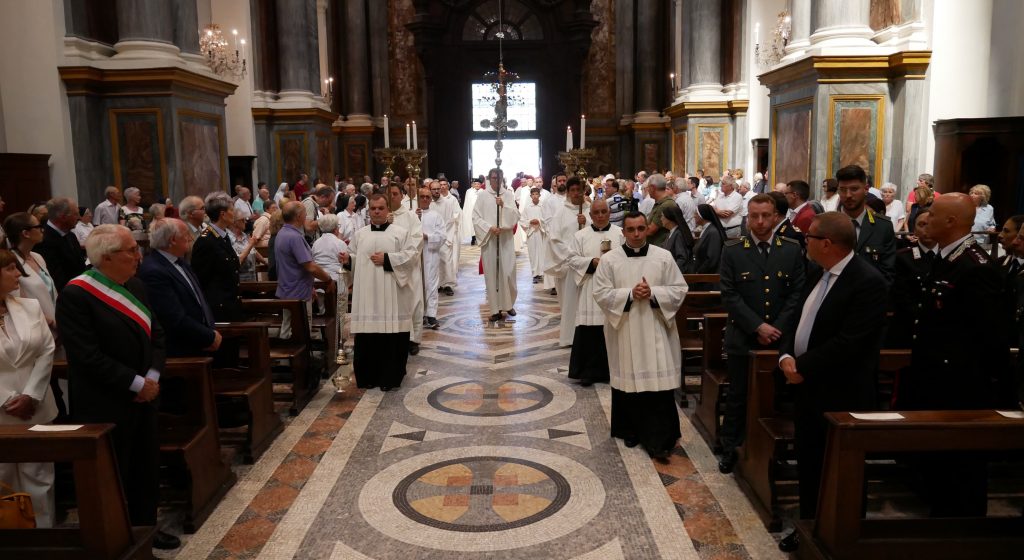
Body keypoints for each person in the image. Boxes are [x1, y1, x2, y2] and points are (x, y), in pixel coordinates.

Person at [57, 225, 179, 551]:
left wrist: (152, 376)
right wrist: (136, 383)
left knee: (145, 467)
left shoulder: (135, 285)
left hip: (145, 397)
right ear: (107, 257)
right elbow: (86, 356)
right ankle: (119, 538)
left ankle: (145, 530)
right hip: (106, 401)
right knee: (115, 474)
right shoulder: (76, 295)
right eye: (131, 250)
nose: (139, 256)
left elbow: (157, 335)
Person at [896, 192, 1014, 518]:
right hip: (934, 379)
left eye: (932, 215)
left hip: (961, 386)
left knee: (962, 468)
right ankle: (941, 522)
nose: (925, 220)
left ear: (950, 222)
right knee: (938, 467)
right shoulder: (946, 258)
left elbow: (990, 336)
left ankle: (963, 530)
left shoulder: (975, 267)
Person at [776, 213, 888, 553]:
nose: (803, 242)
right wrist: (785, 355)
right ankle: (809, 525)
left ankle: (842, 536)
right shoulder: (818, 272)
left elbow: (850, 342)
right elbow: (797, 319)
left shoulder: (868, 281)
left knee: (842, 470)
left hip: (842, 392)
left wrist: (802, 366)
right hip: (808, 388)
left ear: (826, 243)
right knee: (810, 462)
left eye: (808, 237)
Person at [716, 194, 805, 473]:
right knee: (738, 395)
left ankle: (773, 451)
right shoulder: (733, 249)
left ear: (776, 216)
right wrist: (757, 326)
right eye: (754, 216)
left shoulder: (791, 249)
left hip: (780, 338)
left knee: (778, 396)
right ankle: (731, 446)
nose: (760, 221)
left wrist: (776, 327)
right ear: (748, 218)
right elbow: (729, 294)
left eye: (766, 215)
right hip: (743, 336)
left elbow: (797, 293)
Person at [593, 211, 689, 460]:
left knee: (658, 382)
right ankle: (630, 429)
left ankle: (663, 435)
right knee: (629, 380)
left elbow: (679, 289)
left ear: (647, 229)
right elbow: (600, 293)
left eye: (640, 228)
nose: (636, 234)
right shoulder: (609, 260)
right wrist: (629, 294)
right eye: (630, 229)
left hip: (656, 329)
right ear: (623, 232)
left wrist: (654, 293)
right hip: (625, 329)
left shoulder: (663, 256)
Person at [0, 248, 58, 528]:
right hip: (2, 409)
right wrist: (6, 399)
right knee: (3, 479)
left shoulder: (29, 306)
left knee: (40, 478)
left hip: (35, 406)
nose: (18, 274)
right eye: (10, 269)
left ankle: (44, 538)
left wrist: (31, 394)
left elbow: (47, 350)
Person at [341, 195, 416, 391]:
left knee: (391, 338)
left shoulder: (400, 233)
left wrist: (388, 259)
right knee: (368, 337)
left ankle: (390, 378)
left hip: (392, 295)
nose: (376, 211)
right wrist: (348, 260)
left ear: (387, 210)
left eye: (381, 208)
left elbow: (410, 258)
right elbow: (355, 256)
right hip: (367, 296)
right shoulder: (360, 235)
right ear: (369, 211)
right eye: (373, 208)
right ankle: (368, 377)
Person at [137, 219, 222, 358]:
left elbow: (198, 301)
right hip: (181, 349)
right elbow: (173, 317)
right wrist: (208, 336)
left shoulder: (180, 262)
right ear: (173, 240)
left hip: (199, 342)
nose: (190, 238)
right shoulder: (154, 271)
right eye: (186, 234)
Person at [566, 199, 623, 386]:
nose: (600, 216)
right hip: (590, 286)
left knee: (612, 329)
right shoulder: (580, 236)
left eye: (603, 212)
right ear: (590, 215)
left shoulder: (620, 234)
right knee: (589, 330)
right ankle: (587, 372)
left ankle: (611, 371)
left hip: (613, 287)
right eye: (596, 212)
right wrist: (591, 262)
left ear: (609, 213)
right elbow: (572, 258)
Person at [275, 202, 336, 339]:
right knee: (301, 331)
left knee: (288, 328)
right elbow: (310, 266)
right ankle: (300, 353)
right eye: (305, 213)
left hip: (288, 288)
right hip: (297, 291)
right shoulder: (294, 237)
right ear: (298, 216)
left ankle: (286, 351)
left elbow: (294, 265)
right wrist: (328, 279)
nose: (306, 216)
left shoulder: (282, 233)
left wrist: (310, 286)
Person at [546, 177, 591, 346]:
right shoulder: (561, 212)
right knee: (569, 302)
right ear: (568, 192)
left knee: (586, 302)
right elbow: (554, 239)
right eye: (572, 190)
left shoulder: (590, 210)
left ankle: (586, 335)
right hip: (568, 264)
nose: (576, 193)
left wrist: (587, 222)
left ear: (583, 191)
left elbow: (598, 231)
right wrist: (571, 256)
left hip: (587, 264)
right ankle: (570, 337)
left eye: (579, 190)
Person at [836, 165, 896, 285]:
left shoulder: (883, 226)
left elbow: (887, 272)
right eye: (842, 189)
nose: (848, 195)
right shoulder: (826, 224)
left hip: (872, 292)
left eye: (854, 189)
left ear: (866, 189)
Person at [473, 169, 519, 322]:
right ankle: (495, 310)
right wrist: (489, 228)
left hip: (505, 240)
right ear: (489, 179)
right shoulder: (482, 196)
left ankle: (508, 304)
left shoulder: (508, 195)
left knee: (508, 273)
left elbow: (515, 216)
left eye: (499, 178)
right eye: (493, 178)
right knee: (493, 275)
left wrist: (504, 205)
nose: (496, 181)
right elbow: (475, 217)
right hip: (490, 240)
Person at [886, 210, 937, 348]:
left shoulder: (948, 256)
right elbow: (901, 297)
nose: (927, 229)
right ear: (914, 230)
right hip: (909, 326)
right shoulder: (902, 257)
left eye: (932, 224)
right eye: (922, 224)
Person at [385, 183, 425, 353]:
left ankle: (413, 339)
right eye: (389, 193)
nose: (392, 197)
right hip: (388, 266)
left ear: (402, 196)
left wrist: (402, 257)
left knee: (413, 301)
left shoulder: (410, 216)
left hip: (409, 266)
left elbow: (417, 238)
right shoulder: (381, 216)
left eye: (395, 193)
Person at [191, 194, 243, 321]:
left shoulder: (222, 236)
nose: (234, 214)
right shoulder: (206, 241)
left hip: (231, 303)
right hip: (218, 308)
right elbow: (201, 278)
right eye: (232, 210)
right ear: (223, 214)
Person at [5, 213, 57, 330]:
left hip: (56, 322)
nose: (42, 230)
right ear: (26, 233)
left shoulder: (37, 257)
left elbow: (52, 293)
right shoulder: (11, 264)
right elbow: (17, 303)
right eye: (38, 226)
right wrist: (50, 322)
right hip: (37, 327)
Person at [35, 197, 87, 293]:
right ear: (63, 217)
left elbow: (80, 265)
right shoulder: (43, 241)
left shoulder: (70, 235)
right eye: (76, 214)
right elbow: (57, 279)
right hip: (69, 294)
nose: (79, 218)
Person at [418, 187, 445, 330]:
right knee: (416, 285)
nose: (424, 199)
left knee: (431, 284)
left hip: (430, 254)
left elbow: (442, 236)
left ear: (430, 199)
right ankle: (419, 313)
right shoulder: (412, 214)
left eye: (427, 197)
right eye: (422, 196)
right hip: (415, 255)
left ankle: (431, 314)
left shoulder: (436, 216)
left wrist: (428, 236)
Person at [431, 180, 461, 296]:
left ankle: (448, 284)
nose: (437, 191)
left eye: (438, 189)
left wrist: (446, 237)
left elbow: (450, 221)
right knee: (435, 262)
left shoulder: (447, 203)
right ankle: (438, 284)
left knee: (446, 261)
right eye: (434, 189)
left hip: (444, 237)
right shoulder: (428, 203)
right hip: (431, 238)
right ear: (430, 190)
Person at [519, 187, 546, 283]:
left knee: (542, 253)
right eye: (533, 194)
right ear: (530, 196)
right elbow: (522, 220)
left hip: (541, 232)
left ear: (539, 195)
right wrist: (530, 221)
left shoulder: (543, 206)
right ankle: (535, 274)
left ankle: (542, 273)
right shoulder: (527, 207)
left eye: (536, 194)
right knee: (533, 253)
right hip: (531, 233)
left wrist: (539, 221)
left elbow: (546, 218)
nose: (535, 196)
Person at [227, 214, 264, 282]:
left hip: (252, 277)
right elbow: (238, 260)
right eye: (243, 220)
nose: (246, 222)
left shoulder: (244, 235)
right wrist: (250, 245)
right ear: (234, 222)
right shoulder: (228, 238)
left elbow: (253, 251)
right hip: (240, 279)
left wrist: (266, 262)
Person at [659, 205, 694, 273]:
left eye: (662, 216)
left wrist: (671, 272)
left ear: (669, 218)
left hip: (677, 274)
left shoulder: (678, 234)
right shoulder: (671, 233)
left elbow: (682, 259)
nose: (661, 219)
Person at [643, 174, 677, 246]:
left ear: (652, 188)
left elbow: (650, 231)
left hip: (659, 246)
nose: (647, 190)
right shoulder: (662, 202)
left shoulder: (665, 205)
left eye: (648, 187)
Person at [692, 204, 725, 276]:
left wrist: (699, 272)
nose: (694, 216)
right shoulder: (706, 229)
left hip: (708, 275)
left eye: (696, 214)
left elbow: (712, 258)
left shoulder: (713, 232)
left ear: (702, 215)